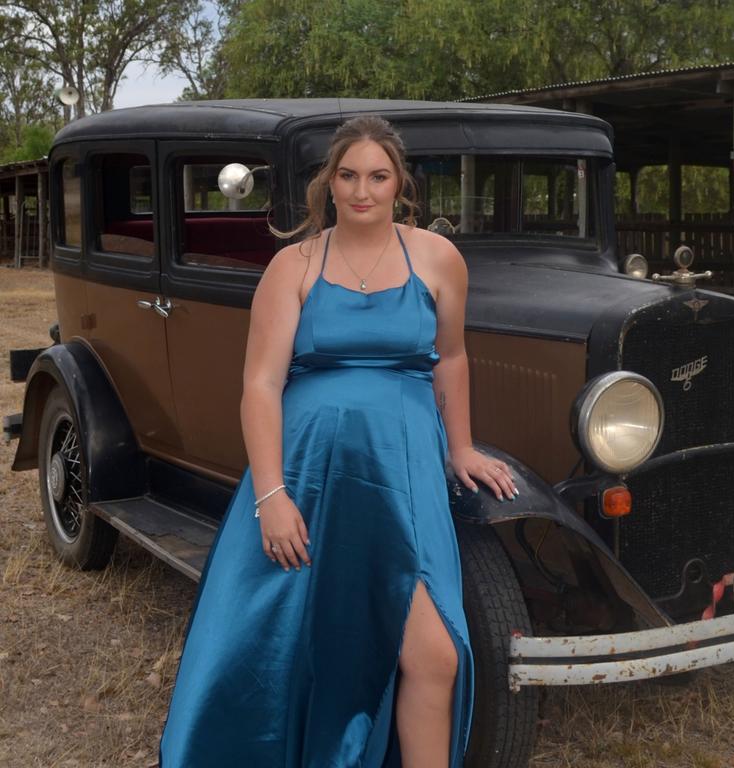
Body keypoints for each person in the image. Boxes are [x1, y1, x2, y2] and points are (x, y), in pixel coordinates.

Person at [159, 115, 517, 768]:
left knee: (433, 655)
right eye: (348, 175)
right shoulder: (292, 265)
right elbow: (261, 386)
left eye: (377, 176)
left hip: (402, 472)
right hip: (307, 473)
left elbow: (453, 358)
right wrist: (271, 495)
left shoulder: (438, 260)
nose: (361, 191)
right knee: (284, 648)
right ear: (328, 182)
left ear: (399, 184)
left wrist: (460, 448)